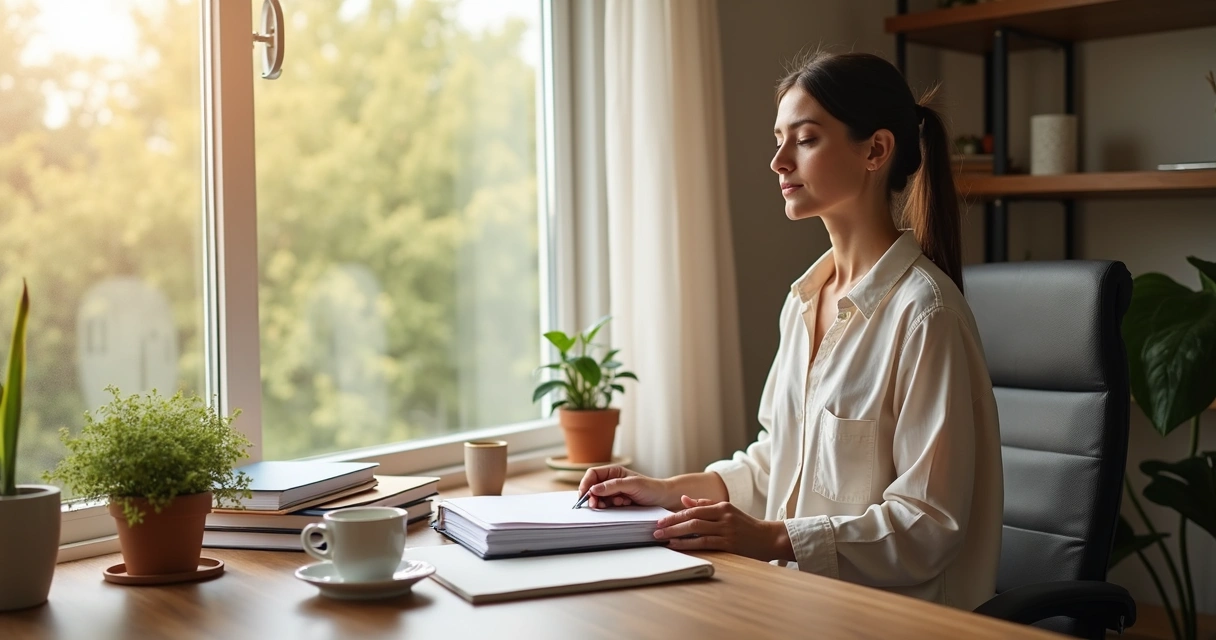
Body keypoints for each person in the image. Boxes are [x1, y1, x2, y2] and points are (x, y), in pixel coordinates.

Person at [578, 51, 1003, 610]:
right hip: (801, 605)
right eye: (779, 139)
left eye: (803, 139)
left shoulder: (926, 316)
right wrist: (664, 491)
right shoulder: (803, 303)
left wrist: (773, 538)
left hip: (894, 620)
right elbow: (777, 462)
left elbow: (928, 524)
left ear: (875, 150)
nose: (778, 161)